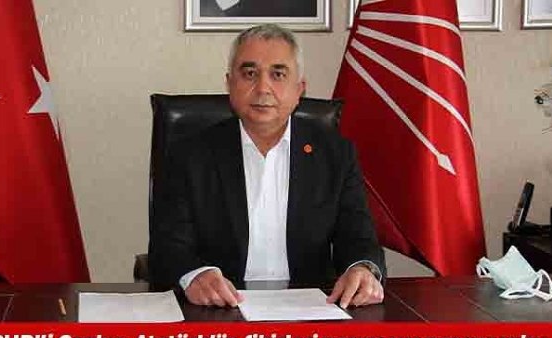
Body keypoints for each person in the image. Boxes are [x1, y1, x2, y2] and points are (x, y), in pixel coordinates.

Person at [149, 24, 385, 309]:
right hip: (220, 309)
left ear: (299, 89)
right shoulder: (189, 155)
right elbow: (167, 247)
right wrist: (195, 275)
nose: (262, 88)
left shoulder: (335, 154)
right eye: (250, 74)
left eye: (278, 74)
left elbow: (359, 238)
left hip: (310, 309)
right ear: (229, 84)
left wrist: (362, 269)